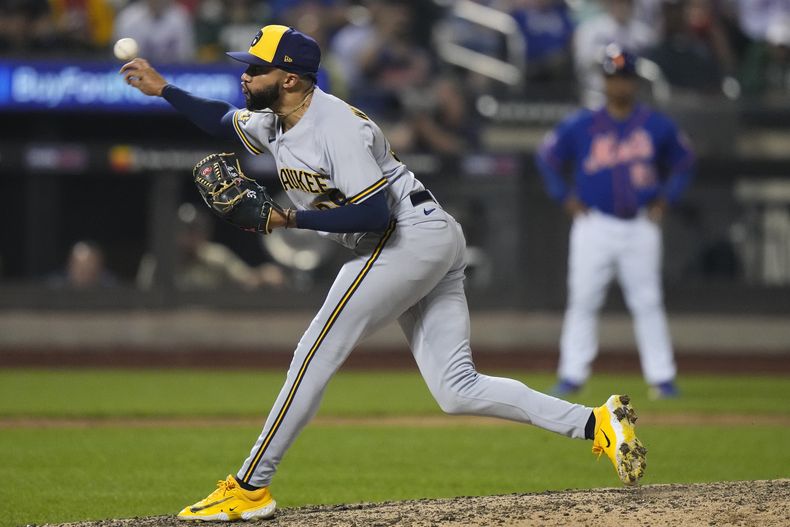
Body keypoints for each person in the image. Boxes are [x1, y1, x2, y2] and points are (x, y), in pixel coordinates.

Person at [120, 25, 647, 521]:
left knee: (314, 351)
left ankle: (250, 487)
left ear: (291, 79)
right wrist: (163, 88)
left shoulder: (336, 127)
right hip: (424, 236)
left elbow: (375, 215)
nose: (244, 76)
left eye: (254, 68)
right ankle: (597, 423)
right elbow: (218, 120)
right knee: (456, 388)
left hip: (405, 236)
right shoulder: (279, 118)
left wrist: (290, 218)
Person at [536, 45, 695, 401]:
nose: (619, 84)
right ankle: (572, 375)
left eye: (624, 77)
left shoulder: (655, 124)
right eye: (613, 77)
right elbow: (547, 156)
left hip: (640, 224)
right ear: (604, 81)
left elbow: (685, 160)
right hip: (594, 223)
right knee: (583, 300)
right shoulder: (582, 124)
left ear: (635, 82)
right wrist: (564, 195)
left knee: (648, 301)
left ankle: (662, 377)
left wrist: (667, 198)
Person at [136, 203, 286, 291]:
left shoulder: (217, 257)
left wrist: (263, 275)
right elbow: (143, 301)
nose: (190, 237)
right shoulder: (158, 261)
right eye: (184, 231)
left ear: (204, 233)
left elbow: (247, 279)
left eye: (195, 230)